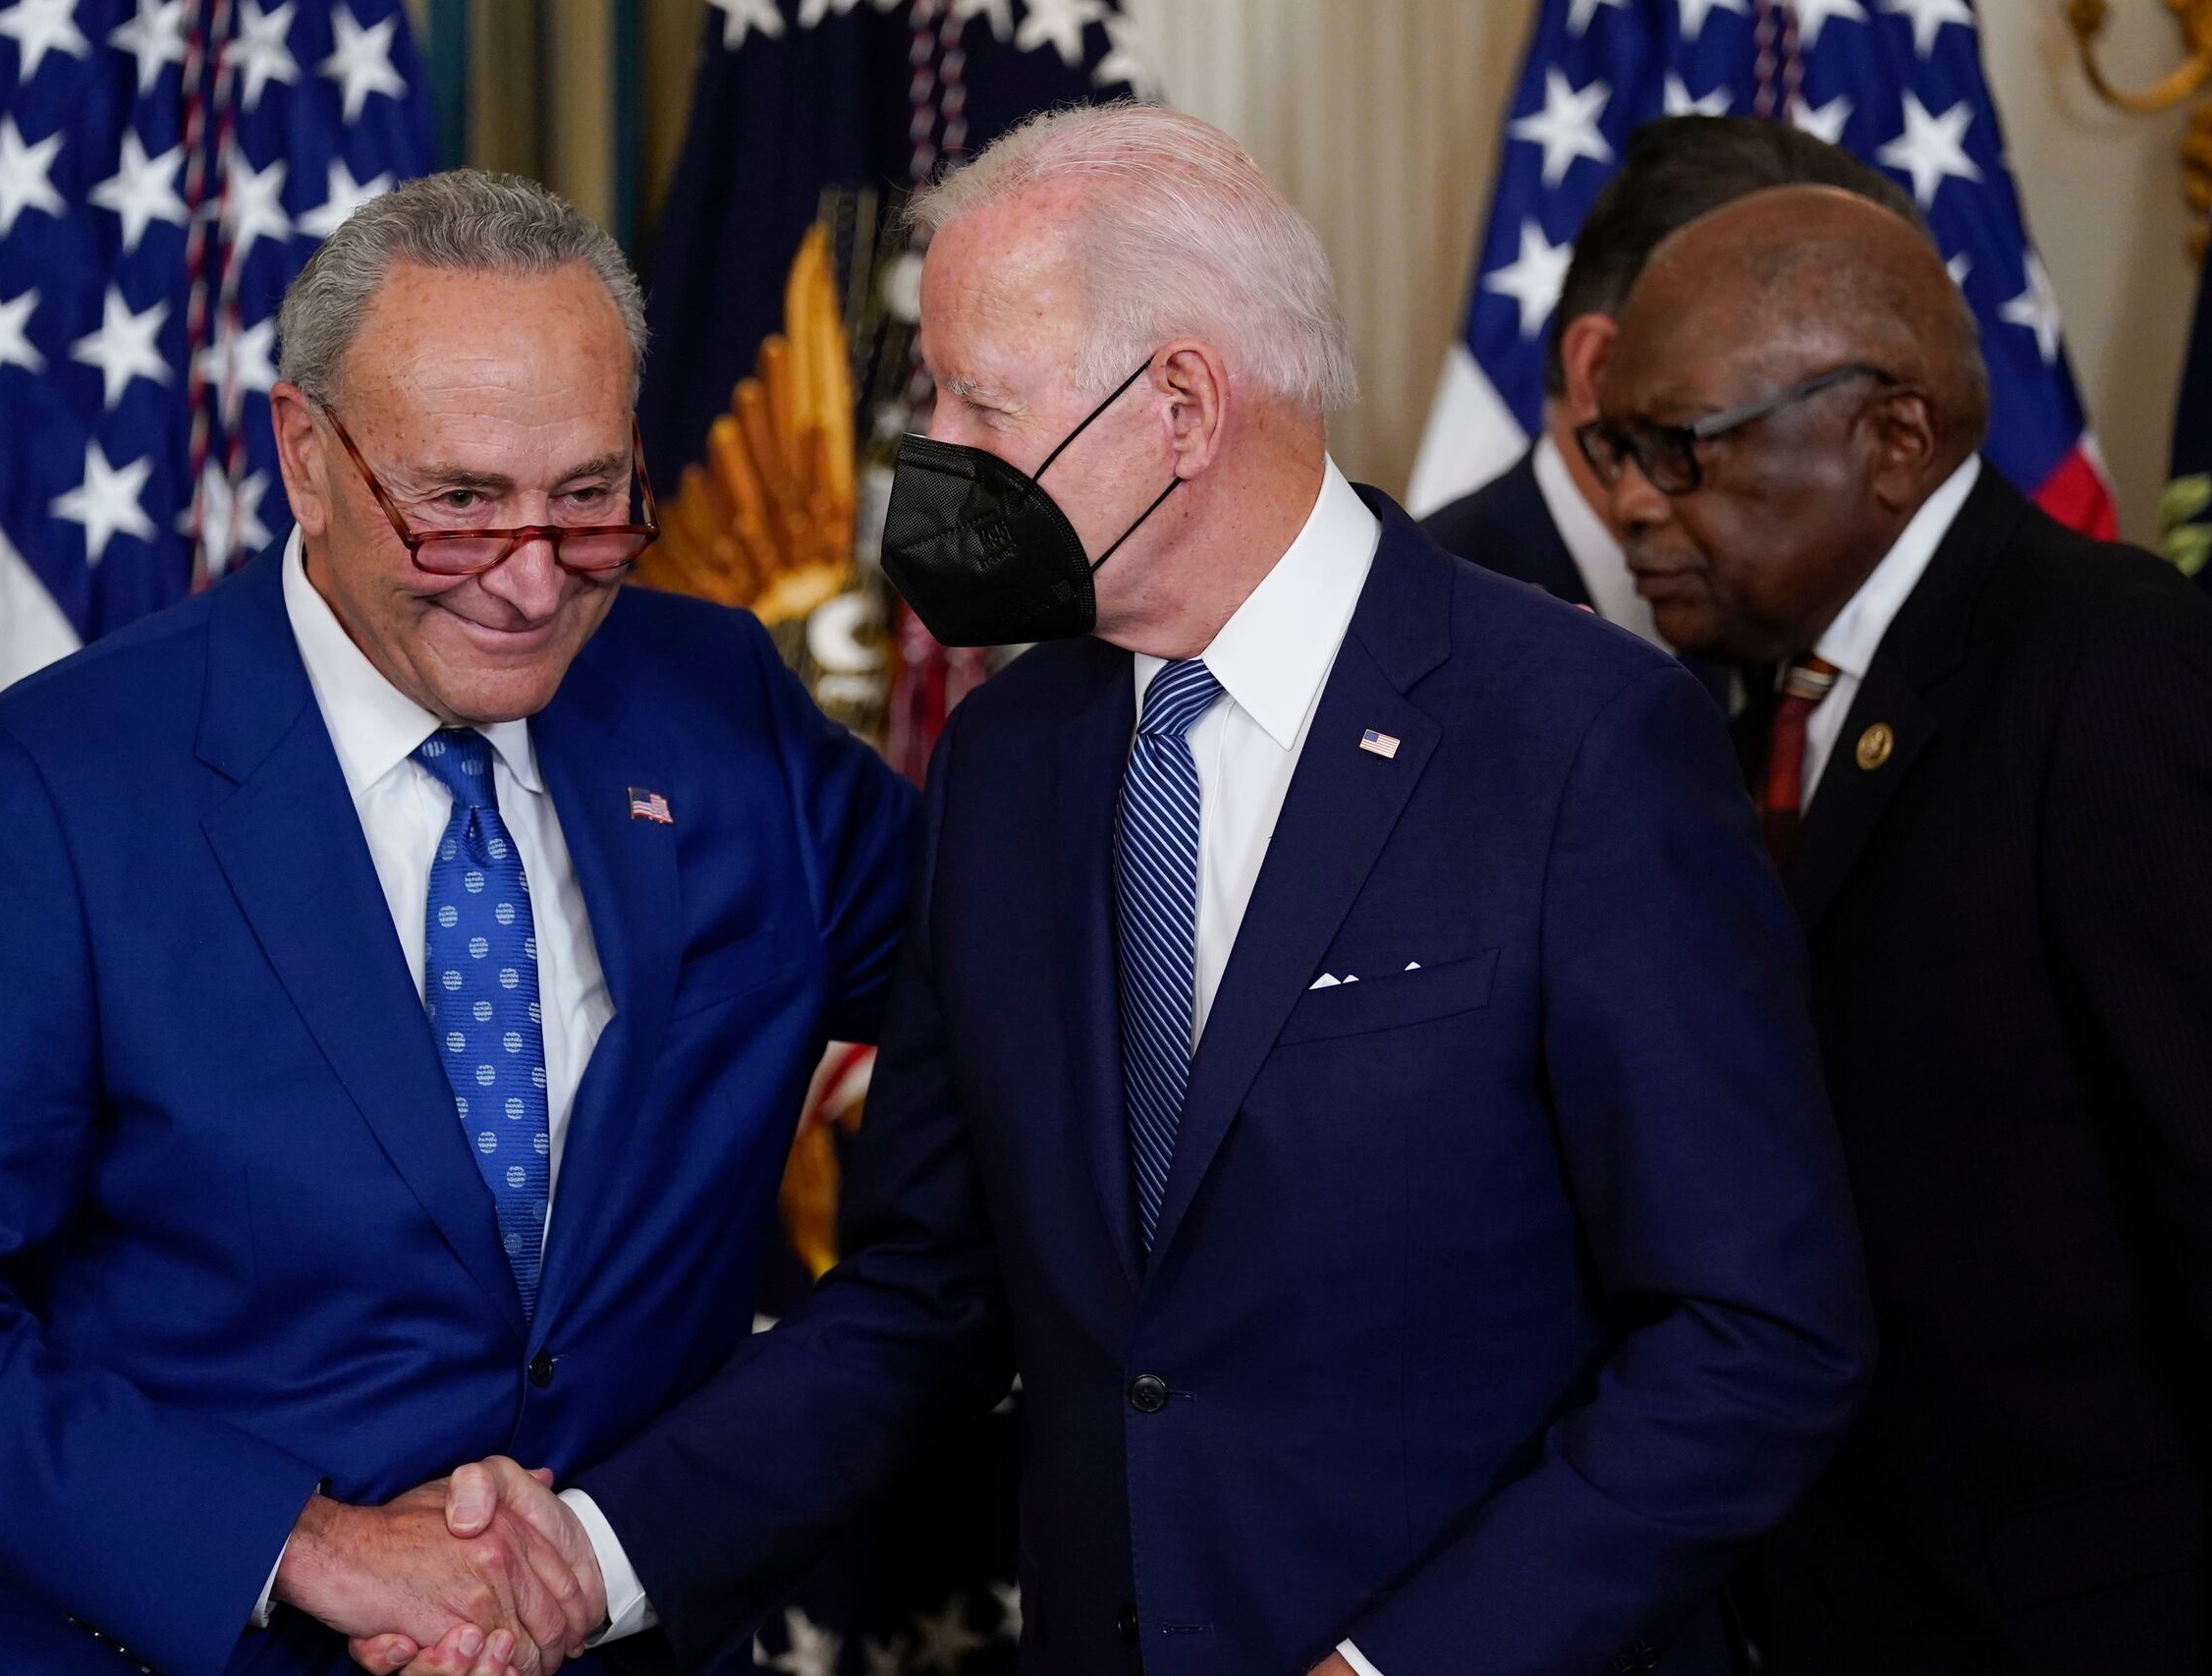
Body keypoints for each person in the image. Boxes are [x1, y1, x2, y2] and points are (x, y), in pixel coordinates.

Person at [372, 104, 1874, 1676]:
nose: (929, 448)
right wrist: (588, 1555)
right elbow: (933, 1295)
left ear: (1180, 405)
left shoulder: (1581, 743)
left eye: (979, 397)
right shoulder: (1013, 760)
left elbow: (1754, 1336)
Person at [0, 169, 914, 1676]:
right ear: (305, 460)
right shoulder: (64, 789)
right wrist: (312, 1546)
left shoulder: (719, 704)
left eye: (587, 498)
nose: (530, 575)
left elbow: (1029, 983)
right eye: (456, 506)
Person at [1587, 183, 2212, 1675]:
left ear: (1894, 439)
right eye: (1618, 448)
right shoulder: (1760, 698)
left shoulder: (2113, 673)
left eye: (1684, 448)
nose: (1629, 503)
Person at [1423, 114, 1924, 701]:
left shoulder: (1824, 603)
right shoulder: (1425, 630)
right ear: (1601, 372)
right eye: (1787, 379)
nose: (1855, 434)